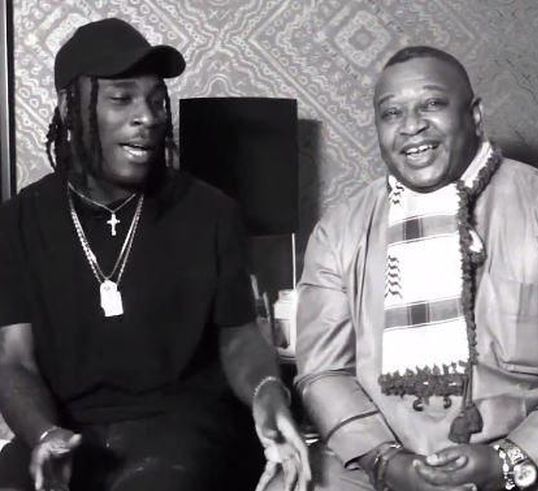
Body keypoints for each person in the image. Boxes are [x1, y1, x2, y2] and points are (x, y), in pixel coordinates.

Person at [287, 46, 538, 490]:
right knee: (289, 481)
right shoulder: (339, 231)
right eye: (391, 113)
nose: (411, 125)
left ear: (476, 116)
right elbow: (324, 373)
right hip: (389, 456)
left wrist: (511, 458)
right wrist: (386, 462)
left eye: (432, 104)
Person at [0, 18, 309, 491]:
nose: (146, 116)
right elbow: (13, 360)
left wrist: (268, 394)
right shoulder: (19, 222)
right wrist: (43, 434)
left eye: (156, 100)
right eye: (121, 98)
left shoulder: (210, 212)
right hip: (66, 428)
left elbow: (239, 337)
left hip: (181, 429)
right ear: (69, 106)